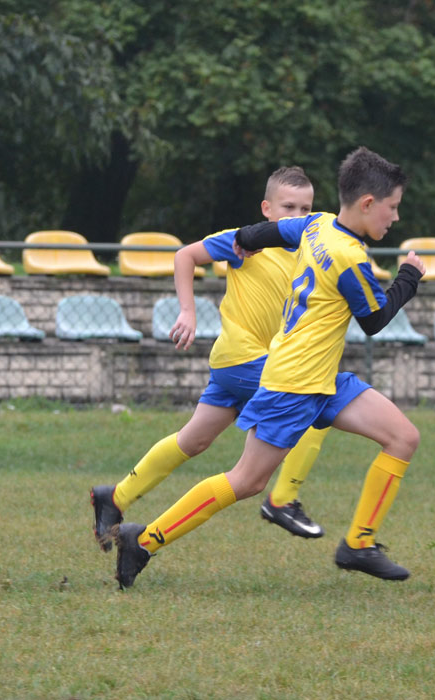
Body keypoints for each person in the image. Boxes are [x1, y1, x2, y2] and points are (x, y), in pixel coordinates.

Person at [112, 147, 428, 588]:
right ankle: (143, 541)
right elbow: (374, 319)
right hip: (294, 384)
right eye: (392, 208)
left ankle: (358, 543)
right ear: (368, 203)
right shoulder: (348, 257)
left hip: (321, 378)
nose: (395, 219)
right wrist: (410, 276)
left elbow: (272, 231)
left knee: (402, 437)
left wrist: (246, 237)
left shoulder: (318, 225)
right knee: (246, 482)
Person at [89, 167, 334, 550]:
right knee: (314, 398)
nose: (298, 217)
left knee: (193, 440)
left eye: (306, 208)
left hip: (245, 366)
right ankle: (282, 499)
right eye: (288, 207)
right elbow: (186, 256)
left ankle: (114, 496)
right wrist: (188, 311)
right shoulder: (244, 241)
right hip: (246, 359)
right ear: (267, 209)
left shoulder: (311, 250)